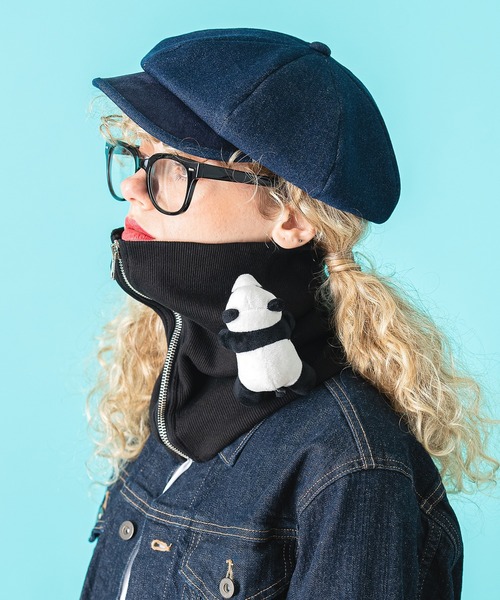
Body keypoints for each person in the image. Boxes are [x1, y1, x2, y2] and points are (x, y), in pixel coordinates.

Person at [81, 28, 498, 599]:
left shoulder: (351, 465)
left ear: (293, 217)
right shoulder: (178, 393)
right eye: (139, 156)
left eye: (173, 168)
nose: (133, 185)